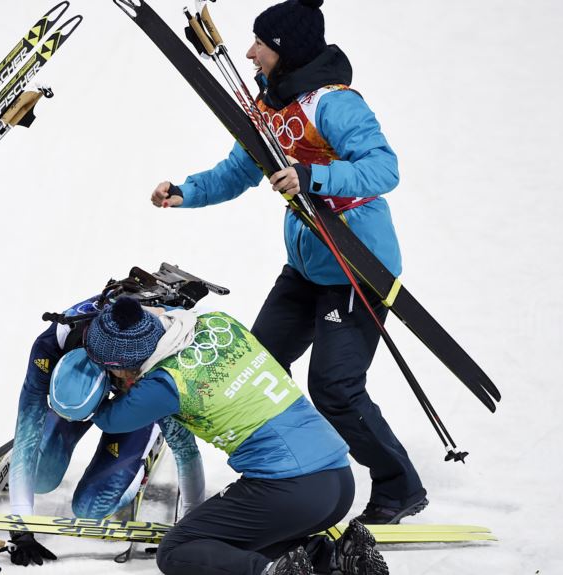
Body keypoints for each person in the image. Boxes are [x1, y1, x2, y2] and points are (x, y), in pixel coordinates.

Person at [149, 0, 427, 524]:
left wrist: (313, 176)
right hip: (304, 265)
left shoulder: (335, 105)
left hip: (356, 267)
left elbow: (383, 169)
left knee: (334, 387)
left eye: (262, 43)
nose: (251, 52)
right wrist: (185, 192)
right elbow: (237, 171)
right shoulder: (270, 105)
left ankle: (399, 487)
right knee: (256, 366)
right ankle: (283, 470)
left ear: (287, 49)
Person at [56, 297, 388, 575]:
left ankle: (269, 573)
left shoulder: (163, 384)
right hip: (337, 480)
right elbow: (162, 320)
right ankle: (335, 558)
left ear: (120, 364)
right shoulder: (216, 322)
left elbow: (110, 420)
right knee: (225, 541)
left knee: (177, 549)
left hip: (290, 489)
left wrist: (86, 389)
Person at [0, 295, 206, 567]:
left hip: (133, 391)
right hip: (105, 371)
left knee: (91, 510)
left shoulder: (153, 370)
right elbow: (26, 432)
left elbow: (186, 449)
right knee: (40, 477)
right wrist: (20, 524)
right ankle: (60, 424)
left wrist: (192, 522)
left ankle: (150, 439)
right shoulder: (48, 349)